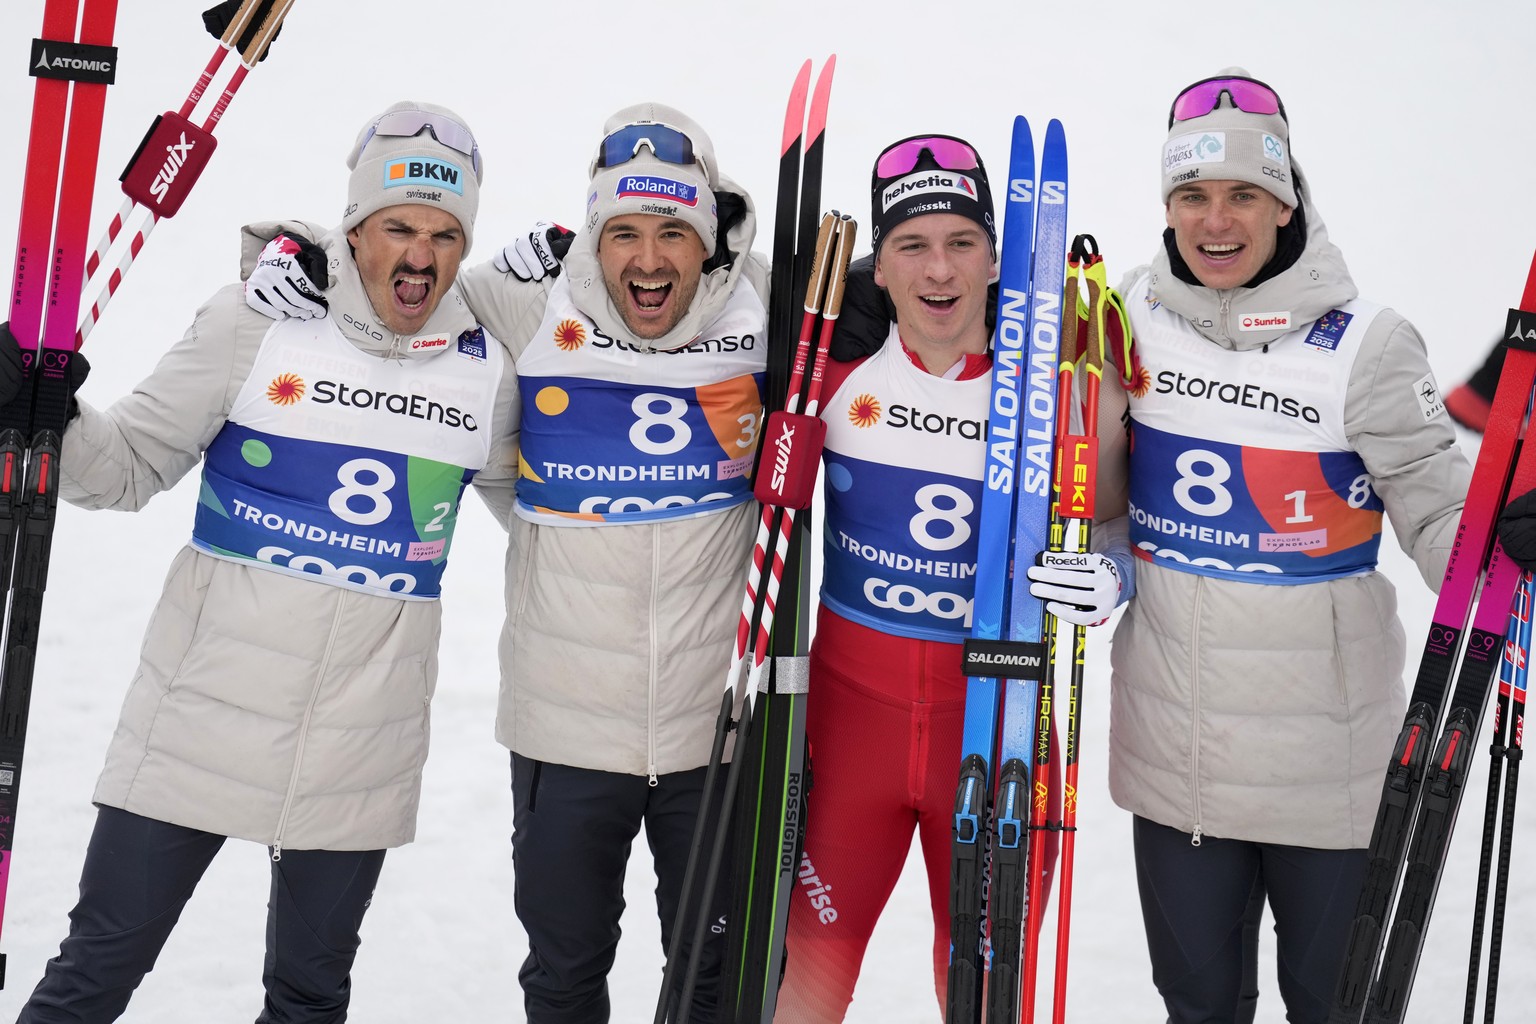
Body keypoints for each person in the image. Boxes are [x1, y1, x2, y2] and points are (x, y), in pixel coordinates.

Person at [243, 102, 771, 1022]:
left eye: (674, 234)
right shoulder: (525, 302)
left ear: (711, 235)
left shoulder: (765, 305)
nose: (649, 259)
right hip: (563, 730)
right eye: (625, 233)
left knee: (713, 986)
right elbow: (397, 285)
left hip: (714, 729)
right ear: (594, 236)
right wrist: (291, 252)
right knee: (563, 979)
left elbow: (903, 290)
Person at [12, 100, 517, 1022]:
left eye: (446, 235)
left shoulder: (485, 365)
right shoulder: (259, 323)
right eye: (399, 226)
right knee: (96, 970)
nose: (421, 256)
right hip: (200, 718)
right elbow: (124, 470)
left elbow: (552, 517)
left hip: (359, 746)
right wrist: (51, 420)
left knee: (311, 997)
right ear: (354, 225)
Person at [1088, 69, 1473, 1022]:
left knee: (1332, 1004)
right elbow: (1097, 502)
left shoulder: (1367, 345)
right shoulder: (1123, 317)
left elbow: (1437, 513)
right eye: (1192, 197)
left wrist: (1503, 542)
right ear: (1168, 207)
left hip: (1330, 772)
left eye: (1244, 196)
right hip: (1176, 768)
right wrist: (1101, 562)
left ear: (1285, 202)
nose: (1217, 222)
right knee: (1199, 1004)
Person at [771, 136, 1130, 1021]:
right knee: (805, 985)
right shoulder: (831, 376)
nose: (940, 270)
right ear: (879, 268)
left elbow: (1123, 521)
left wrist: (1113, 576)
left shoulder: (1058, 395)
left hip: (1000, 729)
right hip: (849, 727)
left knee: (976, 990)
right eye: (913, 246)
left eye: (963, 243)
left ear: (997, 256)